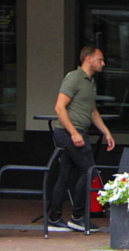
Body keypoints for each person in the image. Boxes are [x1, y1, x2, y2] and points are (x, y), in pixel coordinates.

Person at [48, 46, 115, 231]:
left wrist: (105, 131)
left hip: (75, 131)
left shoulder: (90, 81)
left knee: (65, 175)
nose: (103, 63)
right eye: (100, 59)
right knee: (89, 170)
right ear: (88, 59)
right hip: (70, 131)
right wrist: (74, 133)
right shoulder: (74, 78)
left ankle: (54, 218)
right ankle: (77, 216)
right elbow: (59, 107)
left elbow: (92, 110)